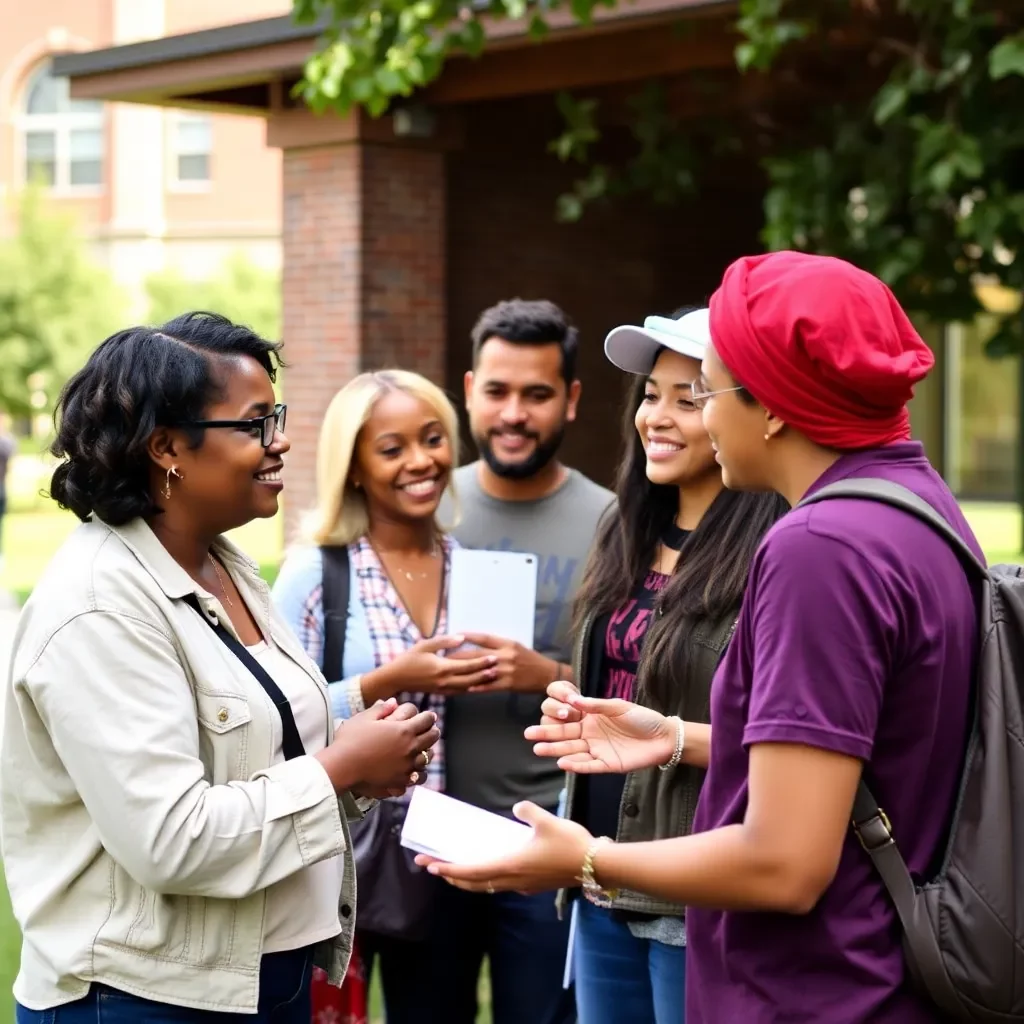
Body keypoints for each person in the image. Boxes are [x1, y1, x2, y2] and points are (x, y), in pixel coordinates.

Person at [418, 252, 982, 1024]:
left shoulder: (818, 545)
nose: (695, 417)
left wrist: (582, 858)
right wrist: (676, 736)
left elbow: (785, 864)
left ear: (775, 405)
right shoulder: (919, 507)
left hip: (819, 988)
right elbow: (859, 751)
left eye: (707, 392)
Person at [1, 313, 440, 1023]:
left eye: (279, 416)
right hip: (140, 999)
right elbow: (173, 841)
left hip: (258, 981)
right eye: (256, 423)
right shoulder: (100, 609)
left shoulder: (223, 565)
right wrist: (341, 770)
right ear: (168, 446)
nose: (283, 440)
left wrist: (363, 766)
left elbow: (256, 762)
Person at [561, 307, 788, 1024]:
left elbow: (791, 747)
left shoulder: (775, 551)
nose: (657, 416)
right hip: (599, 877)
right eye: (650, 395)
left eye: (688, 399)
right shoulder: (624, 528)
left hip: (693, 894)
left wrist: (674, 736)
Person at [272, 370, 501, 1024]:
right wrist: (388, 680)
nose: (421, 461)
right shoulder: (317, 570)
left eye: (432, 439)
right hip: (339, 855)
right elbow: (280, 712)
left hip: (444, 850)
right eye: (392, 448)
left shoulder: (471, 564)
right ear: (354, 468)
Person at [433, 298, 613, 1024]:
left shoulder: (614, 522)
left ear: (570, 401)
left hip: (550, 837)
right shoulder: (425, 507)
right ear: (470, 389)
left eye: (536, 394)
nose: (514, 413)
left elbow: (642, 687)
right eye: (498, 392)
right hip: (431, 833)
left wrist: (549, 675)